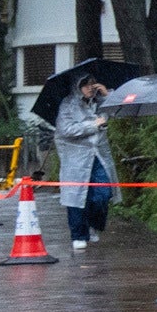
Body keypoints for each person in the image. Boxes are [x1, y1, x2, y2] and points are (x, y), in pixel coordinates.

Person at [48, 79, 112, 250]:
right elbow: (66, 130)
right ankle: (78, 234)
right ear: (77, 86)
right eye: (85, 84)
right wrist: (93, 125)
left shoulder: (98, 102)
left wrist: (107, 96)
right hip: (75, 159)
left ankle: (93, 225)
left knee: (103, 193)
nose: (90, 87)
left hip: (98, 156)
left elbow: (117, 111)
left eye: (93, 83)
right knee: (76, 197)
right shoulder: (67, 105)